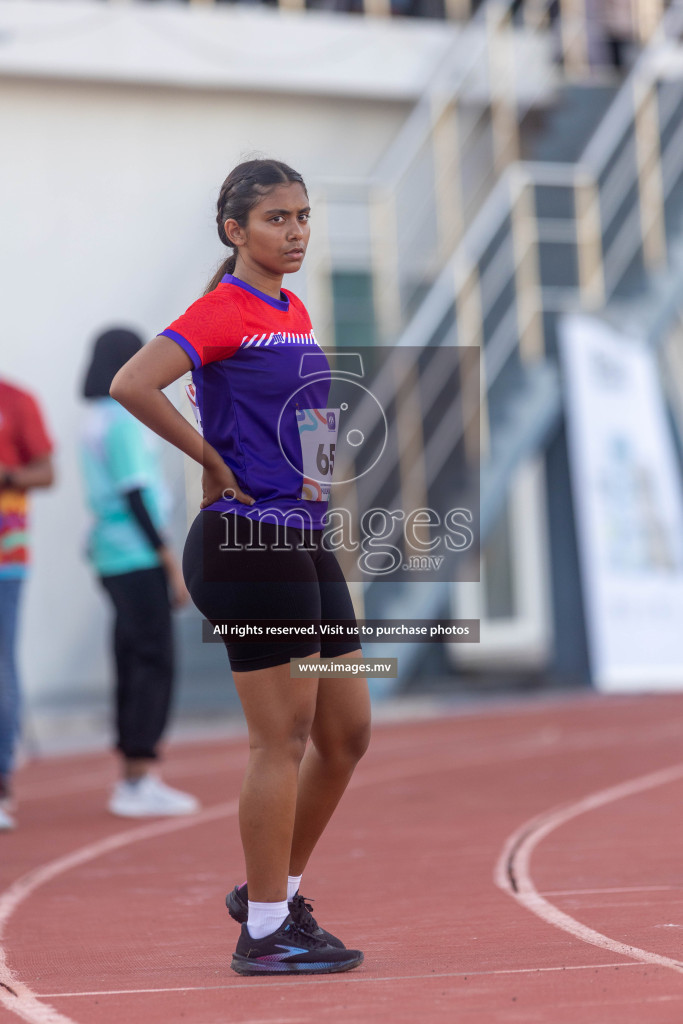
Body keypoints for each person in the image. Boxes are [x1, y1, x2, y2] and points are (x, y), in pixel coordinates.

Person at [110, 158, 371, 975]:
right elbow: (132, 383)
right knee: (282, 736)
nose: (294, 233)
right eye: (276, 219)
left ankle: (272, 893)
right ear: (235, 231)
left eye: (301, 217)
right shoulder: (221, 310)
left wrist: (324, 480)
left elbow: (316, 407)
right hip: (247, 541)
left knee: (347, 733)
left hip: (303, 538)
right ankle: (263, 932)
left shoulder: (291, 309)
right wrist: (211, 459)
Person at [81, 328, 199, 819]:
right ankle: (138, 776)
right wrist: (170, 560)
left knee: (132, 659)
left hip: (111, 556)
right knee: (152, 662)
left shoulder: (92, 420)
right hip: (137, 555)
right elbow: (135, 494)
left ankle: (133, 773)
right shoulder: (123, 420)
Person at [0, 378, 55, 830]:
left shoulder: (16, 400)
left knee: (0, 665)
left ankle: (1, 782)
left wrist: (5, 475)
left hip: (4, 558)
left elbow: (46, 471)